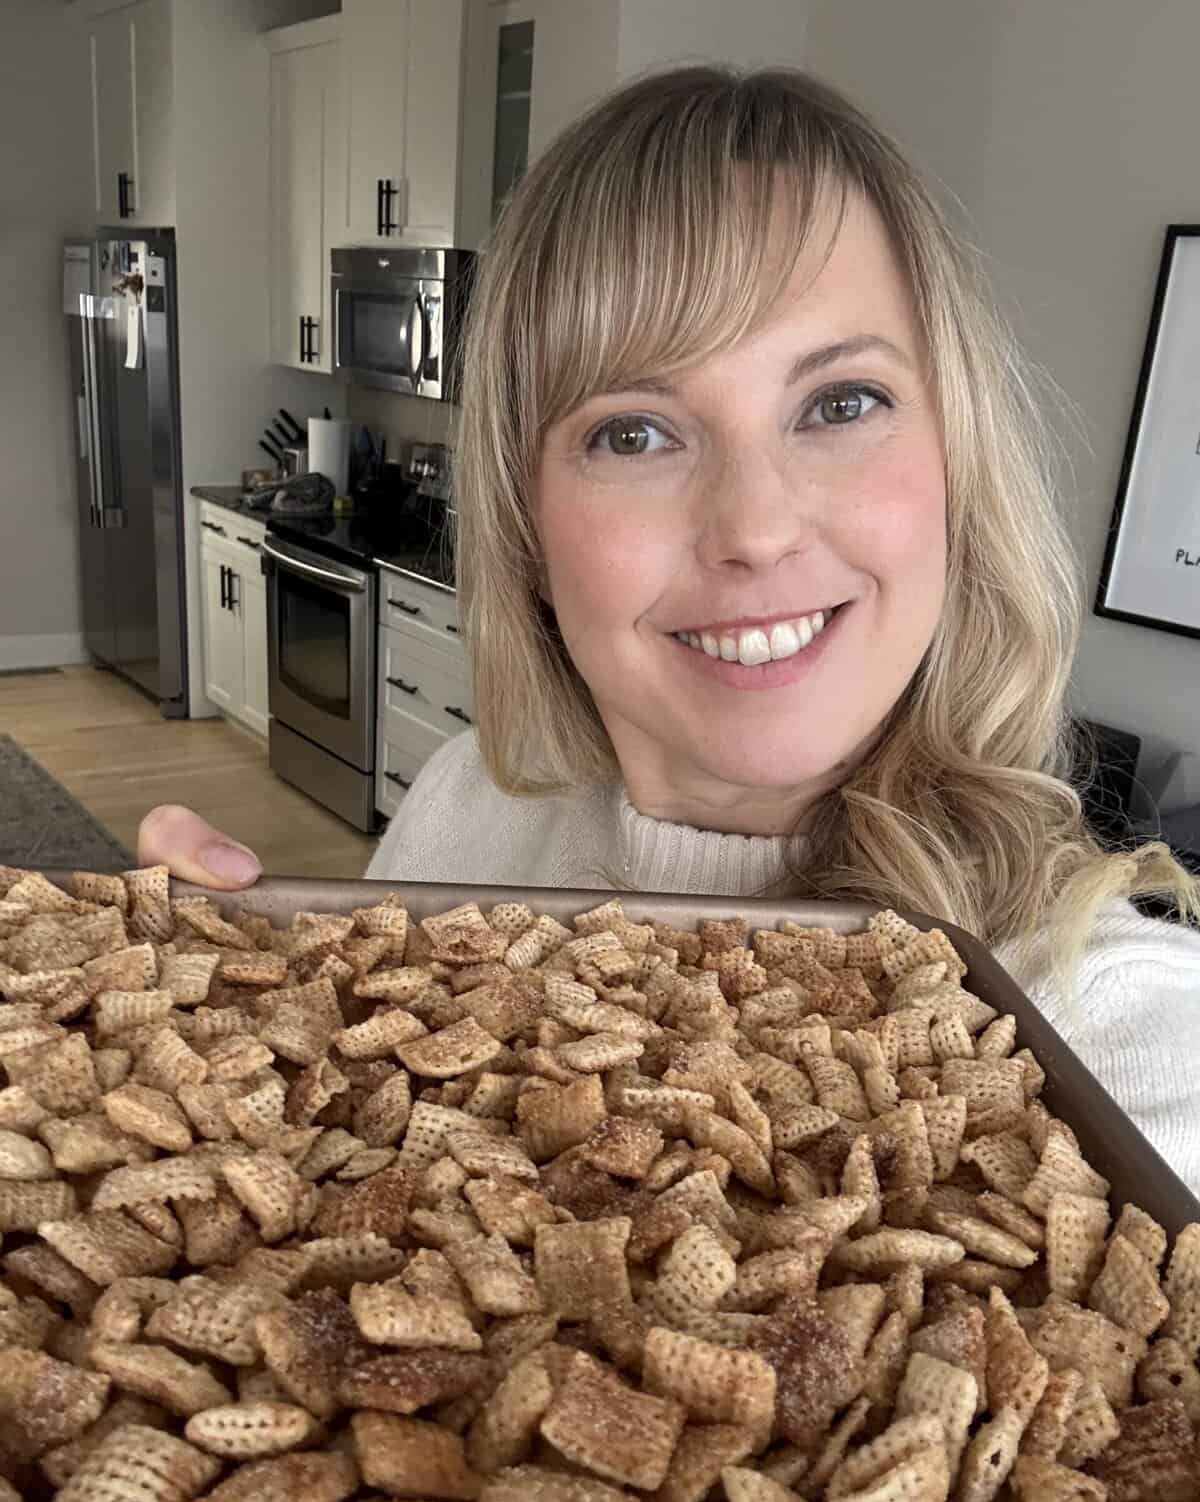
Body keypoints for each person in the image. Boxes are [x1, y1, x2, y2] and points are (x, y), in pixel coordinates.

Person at [139, 65, 1200, 1192]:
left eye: (840, 404)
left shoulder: (1126, 1034)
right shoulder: (467, 810)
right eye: (634, 433)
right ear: (527, 522)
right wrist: (197, 1067)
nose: (752, 528)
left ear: (958, 465)